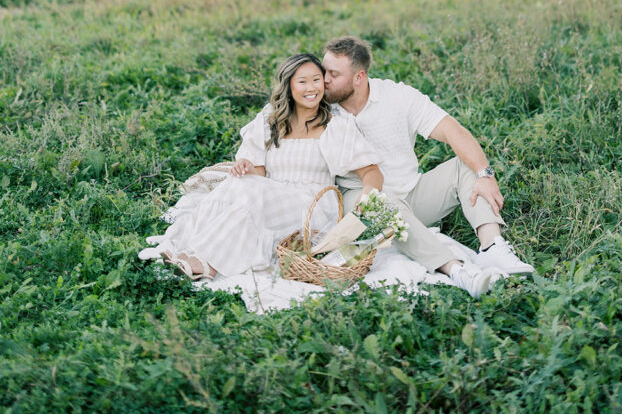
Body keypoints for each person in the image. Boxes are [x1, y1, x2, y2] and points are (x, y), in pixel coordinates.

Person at [322, 36, 535, 298]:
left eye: (333, 74)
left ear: (359, 77)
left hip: (412, 195)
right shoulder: (321, 105)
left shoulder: (398, 97)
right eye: (324, 71)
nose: (324, 80)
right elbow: (280, 114)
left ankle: (492, 247)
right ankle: (456, 269)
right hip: (363, 201)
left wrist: (486, 174)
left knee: (466, 167)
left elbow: (451, 130)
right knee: (382, 203)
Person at [142, 53, 383, 281]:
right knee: (238, 183)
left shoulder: (334, 126)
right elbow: (258, 175)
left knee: (252, 195)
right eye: (302, 82)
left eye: (316, 80)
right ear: (289, 86)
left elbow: (371, 172)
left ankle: (210, 262)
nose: (311, 88)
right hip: (271, 196)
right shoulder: (271, 120)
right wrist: (245, 166)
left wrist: (366, 200)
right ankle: (187, 247)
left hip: (311, 206)